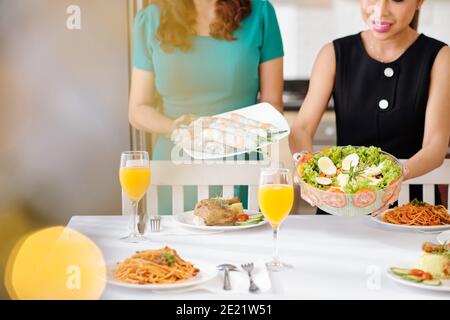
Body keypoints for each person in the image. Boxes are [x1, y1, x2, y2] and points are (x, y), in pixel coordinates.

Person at [289, 0, 450, 215]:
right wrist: (304, 165)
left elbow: (435, 146)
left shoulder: (440, 56)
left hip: (411, 209)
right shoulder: (333, 53)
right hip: (341, 204)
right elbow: (302, 128)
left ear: (419, 1)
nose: (380, 10)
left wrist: (395, 177)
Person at [129, 0, 284, 214]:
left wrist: (229, 132)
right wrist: (176, 128)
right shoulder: (150, 18)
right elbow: (138, 109)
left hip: (241, 167)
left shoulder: (261, 13)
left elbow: (273, 105)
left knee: (242, 242)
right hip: (174, 168)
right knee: (171, 246)